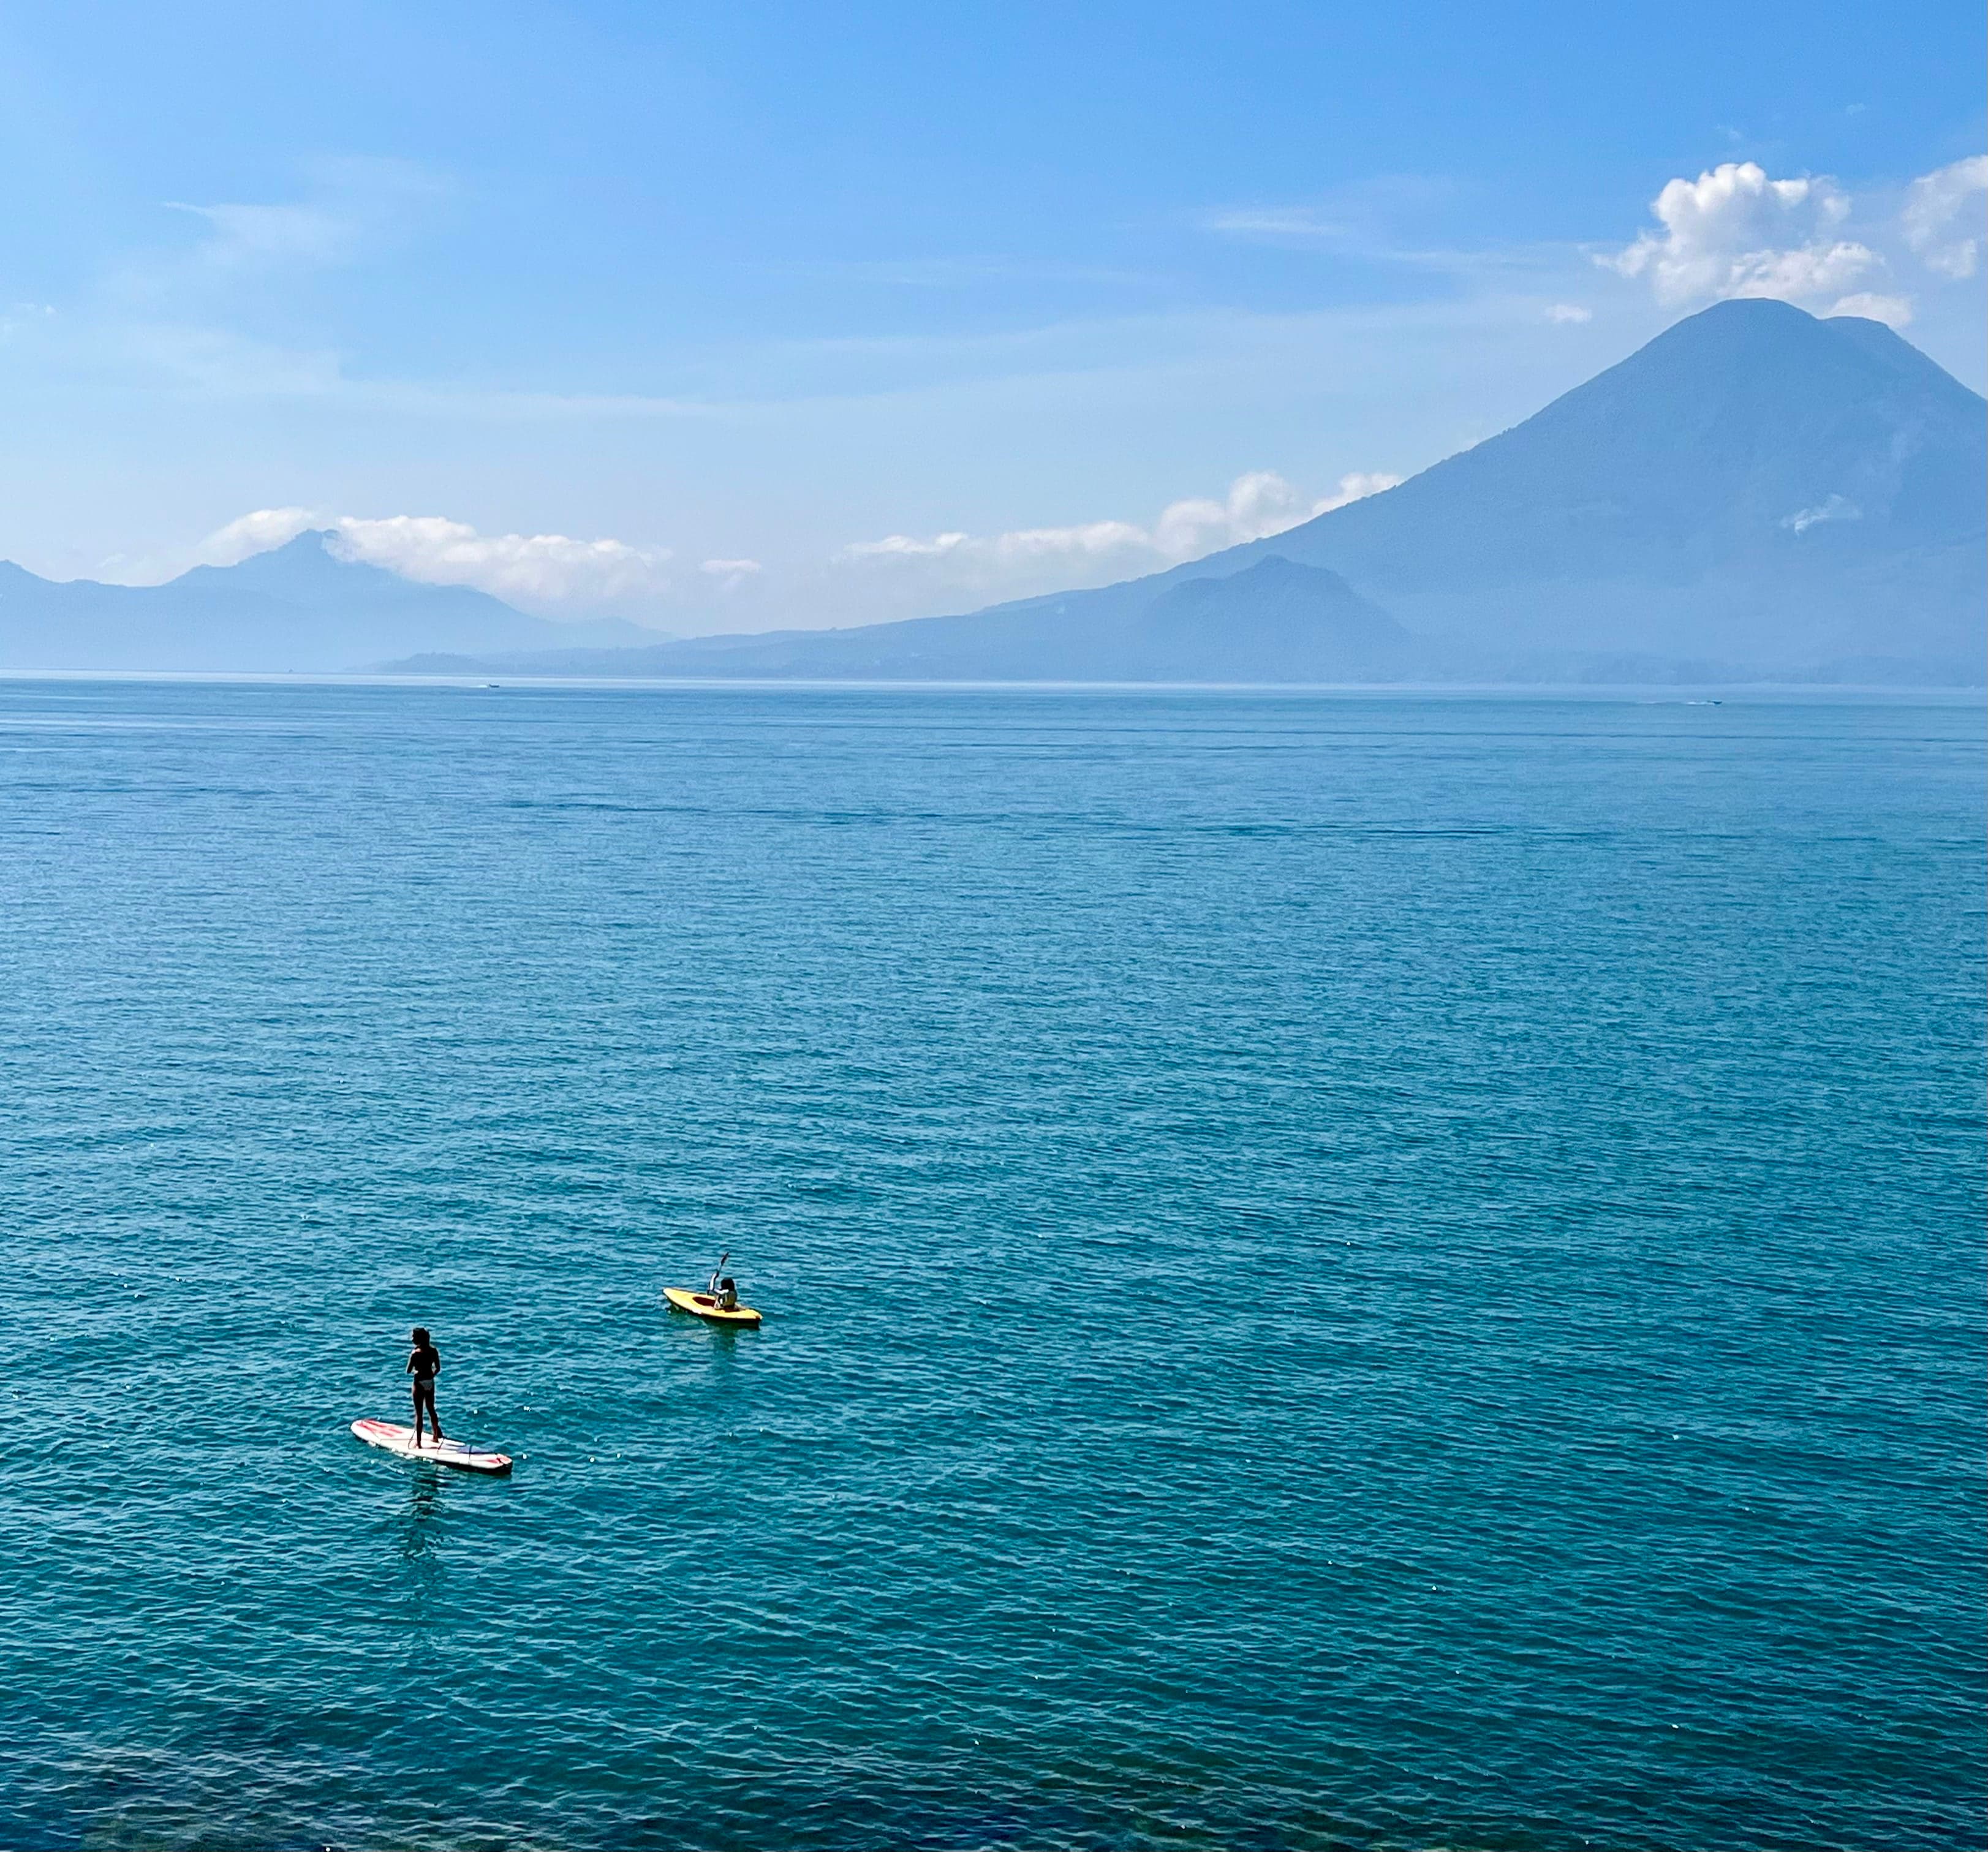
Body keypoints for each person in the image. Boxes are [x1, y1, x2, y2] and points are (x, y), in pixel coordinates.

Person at [407, 1326, 443, 1446]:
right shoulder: (434, 1351)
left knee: (419, 1413)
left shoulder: (415, 1354)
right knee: (431, 1409)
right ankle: (436, 1437)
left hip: (419, 1382)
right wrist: (431, 1374)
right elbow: (438, 1368)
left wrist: (417, 1371)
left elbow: (408, 1370)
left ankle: (419, 1443)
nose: (412, 1339)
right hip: (430, 1382)